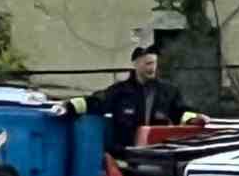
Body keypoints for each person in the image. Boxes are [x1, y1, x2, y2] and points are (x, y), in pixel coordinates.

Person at [52, 45, 209, 156]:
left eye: (154, 63)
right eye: (148, 63)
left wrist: (194, 119)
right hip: (125, 157)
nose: (152, 68)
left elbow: (179, 112)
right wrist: (70, 106)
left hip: (157, 157)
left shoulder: (168, 92)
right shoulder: (120, 91)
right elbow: (97, 102)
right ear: (136, 64)